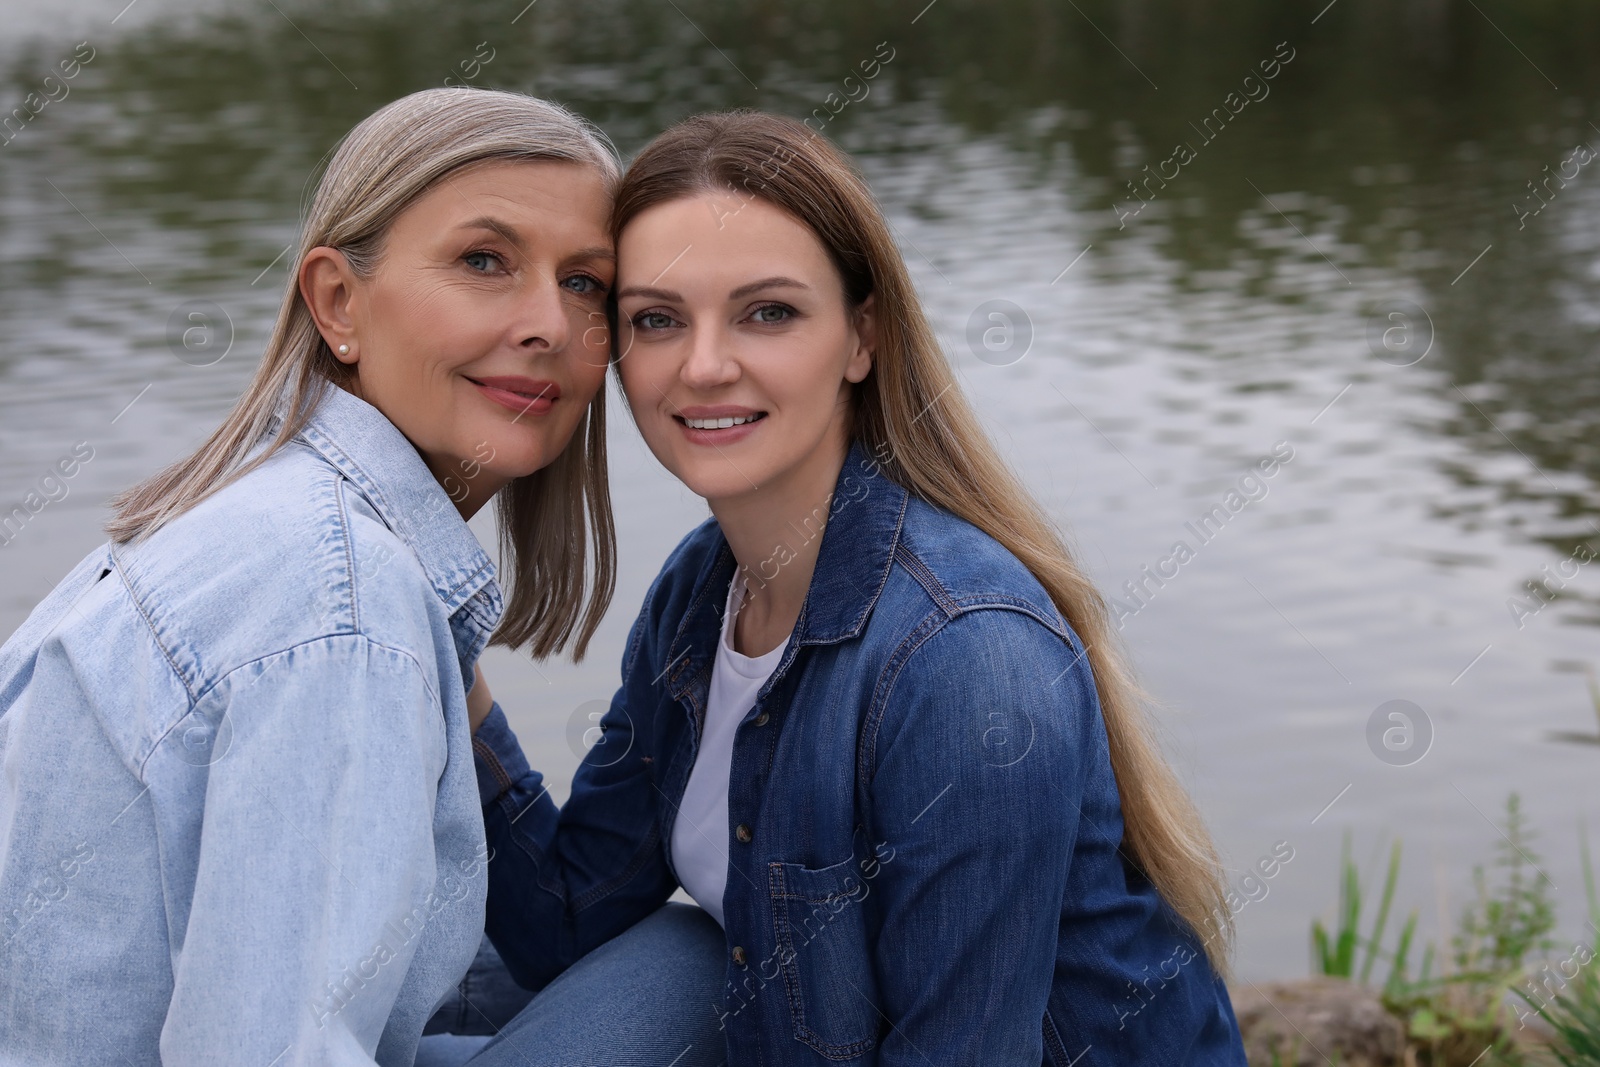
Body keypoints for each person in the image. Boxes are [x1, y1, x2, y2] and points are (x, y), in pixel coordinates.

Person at [467, 110, 1250, 1064]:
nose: (705, 366)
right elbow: (564, 920)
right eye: (658, 320)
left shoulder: (965, 660)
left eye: (769, 312)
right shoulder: (699, 592)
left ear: (861, 337)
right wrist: (444, 666)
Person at [0, 88, 723, 1067]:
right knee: (702, 972)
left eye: (588, 283)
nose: (549, 323)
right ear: (338, 301)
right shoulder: (335, 602)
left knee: (606, 953)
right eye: (484, 260)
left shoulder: (267, 516)